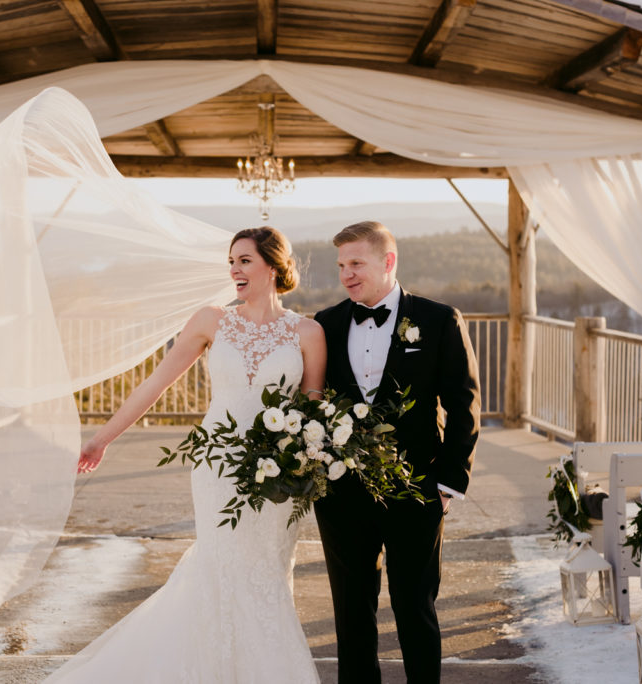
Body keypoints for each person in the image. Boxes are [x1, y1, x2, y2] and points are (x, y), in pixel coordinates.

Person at [47, 226, 326, 683]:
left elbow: (313, 410)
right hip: (218, 465)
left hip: (278, 476)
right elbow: (155, 384)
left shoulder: (308, 332)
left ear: (273, 266)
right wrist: (103, 438)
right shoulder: (211, 320)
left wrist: (304, 463)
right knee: (221, 567)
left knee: (268, 574)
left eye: (245, 261)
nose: (234, 270)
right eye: (231, 261)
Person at [313, 221, 481, 683]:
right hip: (342, 494)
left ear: (388, 262)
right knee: (351, 616)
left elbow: (464, 404)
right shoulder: (324, 324)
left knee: (415, 611)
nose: (346, 274)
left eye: (356, 263)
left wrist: (447, 485)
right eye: (341, 265)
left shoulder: (438, 319)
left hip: (417, 489)